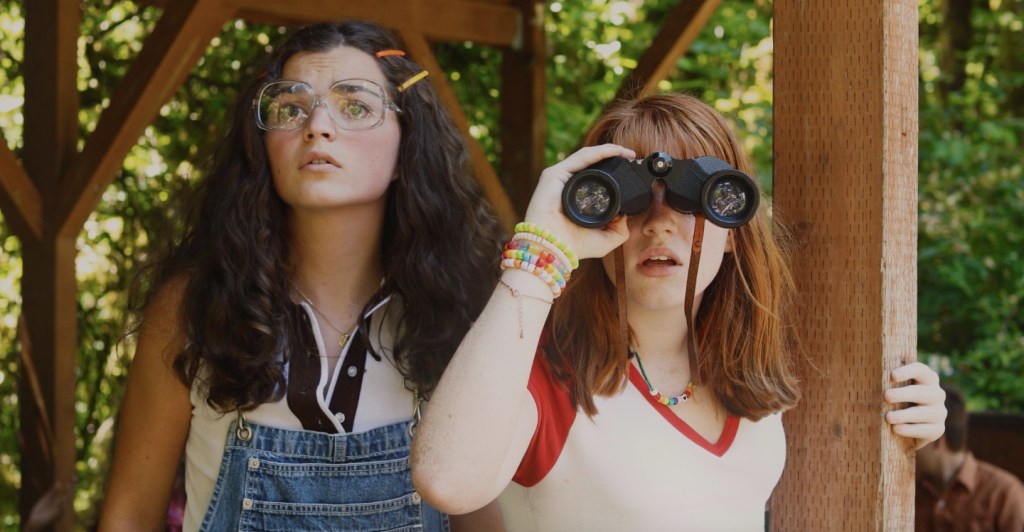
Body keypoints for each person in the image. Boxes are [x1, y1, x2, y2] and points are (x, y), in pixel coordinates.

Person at [411, 92, 948, 530]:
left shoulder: (749, 372)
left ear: (733, 224)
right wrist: (542, 252)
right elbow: (448, 482)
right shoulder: (548, 373)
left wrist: (913, 417)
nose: (660, 223)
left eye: (693, 199)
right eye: (635, 197)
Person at [98, 21, 505, 531]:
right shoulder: (194, 305)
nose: (318, 125)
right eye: (291, 108)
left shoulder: (458, 312)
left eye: (355, 106)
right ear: (263, 148)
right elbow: (128, 517)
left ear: (407, 150)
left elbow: (482, 520)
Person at [916, 383, 1024, 531]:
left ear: (936, 440)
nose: (910, 447)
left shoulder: (1005, 494)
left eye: (914, 439)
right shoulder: (912, 490)